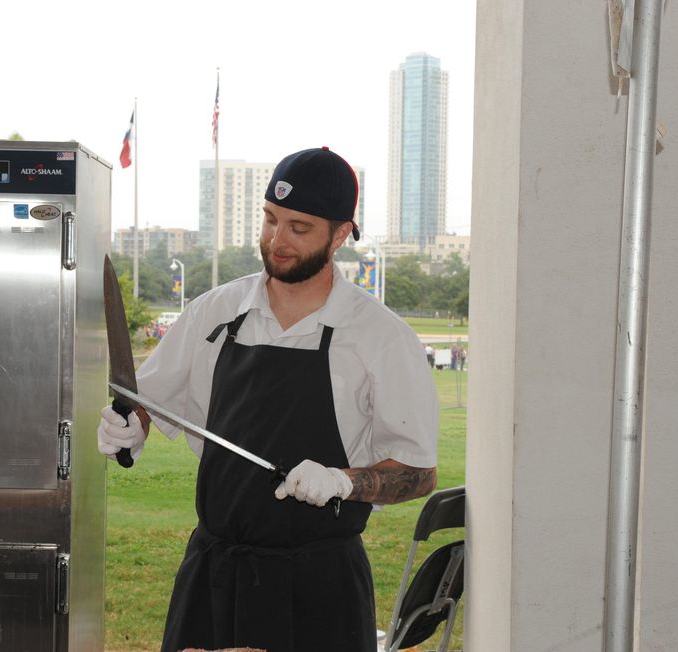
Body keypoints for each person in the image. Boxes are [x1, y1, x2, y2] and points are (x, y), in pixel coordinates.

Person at [98, 147, 439, 652]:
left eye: (299, 228)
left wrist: (342, 481)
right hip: (214, 575)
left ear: (340, 235)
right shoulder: (215, 311)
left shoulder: (381, 338)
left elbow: (419, 475)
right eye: (271, 219)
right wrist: (131, 425)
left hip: (320, 589)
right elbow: (146, 401)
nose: (277, 240)